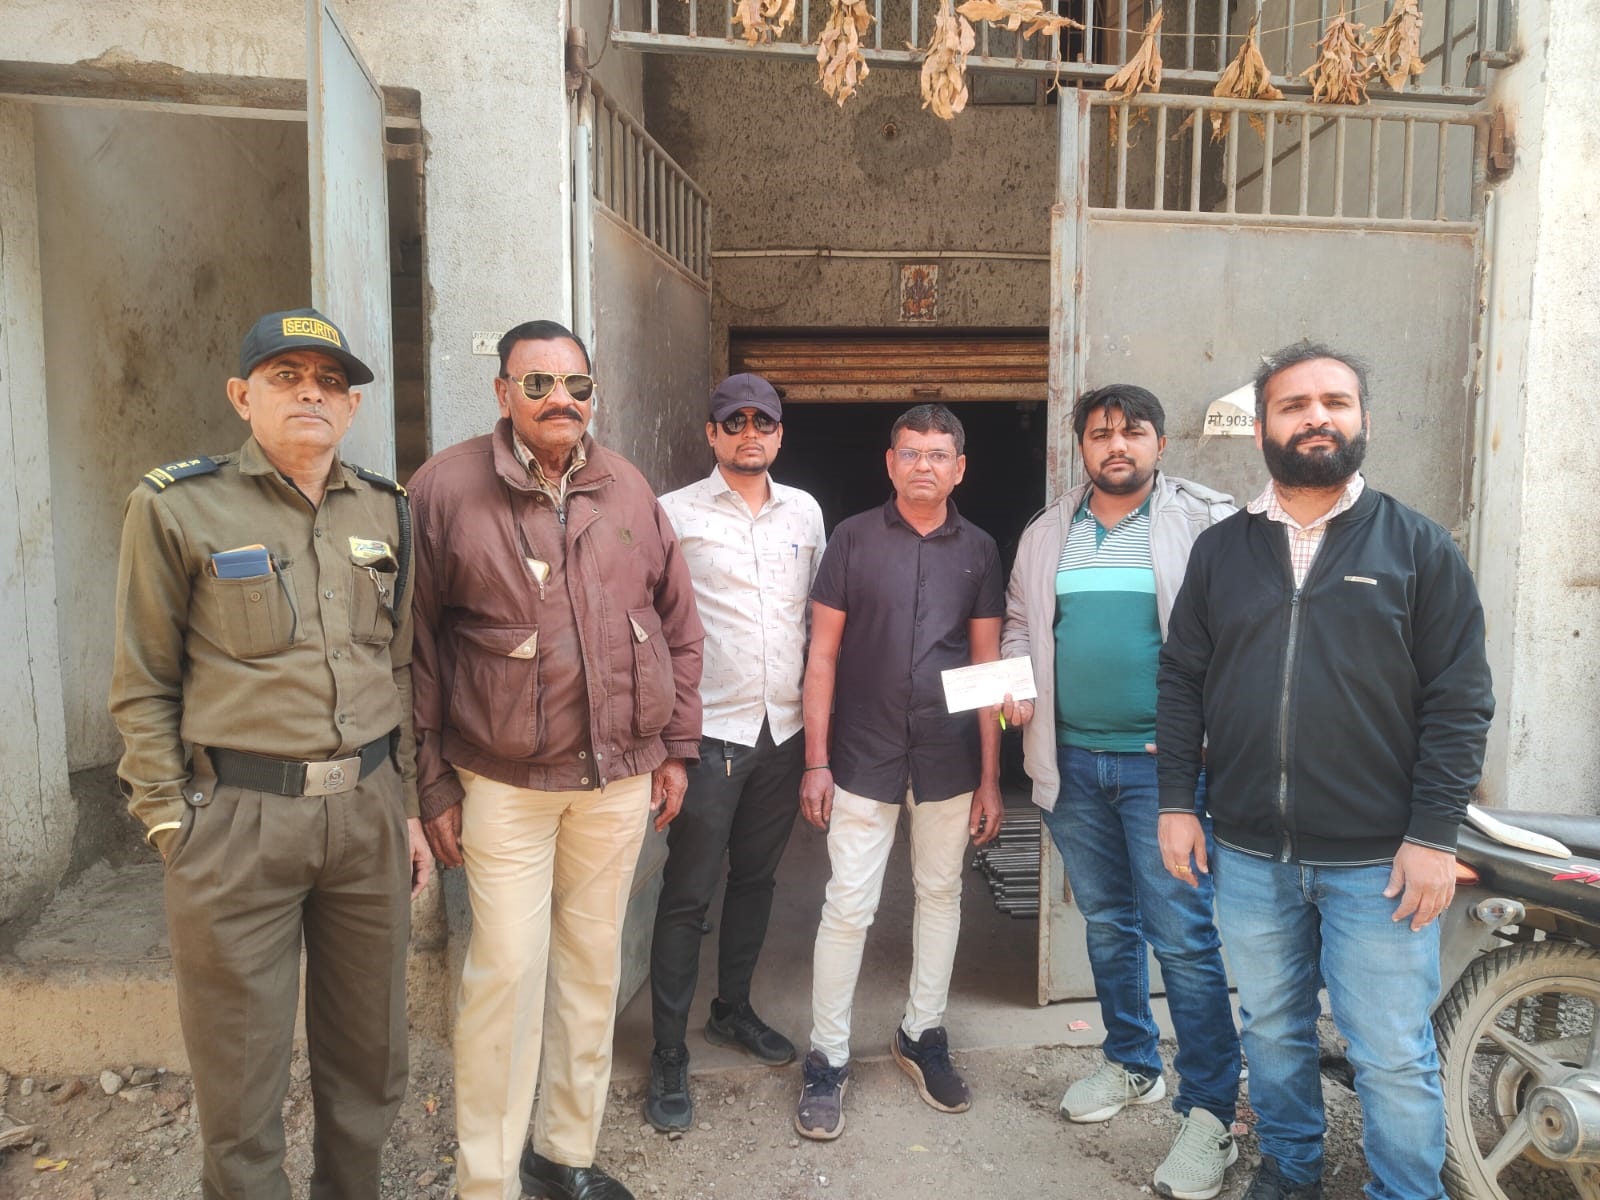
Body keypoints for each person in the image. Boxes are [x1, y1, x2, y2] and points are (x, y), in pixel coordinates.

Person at [1156, 343, 1495, 1200]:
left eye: (1335, 402)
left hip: (1381, 862)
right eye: (1294, 404)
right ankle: (1290, 1170)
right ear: (1261, 428)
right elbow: (1183, 680)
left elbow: (1460, 702)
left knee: (1391, 1052)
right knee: (1272, 1031)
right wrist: (1176, 803)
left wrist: (1433, 835)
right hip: (1249, 853)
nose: (1317, 417)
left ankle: (1406, 1192)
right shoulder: (1221, 551)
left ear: (1363, 420)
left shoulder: (1419, 547)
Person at [109, 307, 432, 1200]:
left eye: (330, 382)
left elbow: (398, 664)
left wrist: (405, 807)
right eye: (286, 377)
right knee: (241, 1078)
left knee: (370, 1058)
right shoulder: (177, 506)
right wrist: (171, 823)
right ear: (242, 396)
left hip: (366, 811)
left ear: (353, 407)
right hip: (238, 822)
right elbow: (142, 680)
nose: (310, 394)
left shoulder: (387, 508)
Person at [409, 319, 705, 1200]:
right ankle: (487, 1181)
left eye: (575, 385)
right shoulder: (445, 489)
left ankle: (563, 1154)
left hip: (616, 779)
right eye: (537, 384)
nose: (559, 400)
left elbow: (680, 626)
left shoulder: (627, 487)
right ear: (503, 393)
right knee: (504, 974)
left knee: (591, 971)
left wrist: (675, 749)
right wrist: (430, 783)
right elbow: (413, 652)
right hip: (503, 781)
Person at [1000, 384, 1241, 1200]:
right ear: (1081, 447)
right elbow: (1020, 621)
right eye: (1100, 433)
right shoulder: (1048, 531)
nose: (1116, 445)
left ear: (1160, 444)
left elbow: (1238, 630)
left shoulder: (1204, 521)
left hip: (1165, 771)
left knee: (1184, 938)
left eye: (1133, 432)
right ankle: (1133, 1061)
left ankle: (1210, 1112)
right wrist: (1017, 679)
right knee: (1107, 922)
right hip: (1071, 762)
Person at [793, 403, 1005, 1142]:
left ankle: (922, 1033)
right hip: (862, 751)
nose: (924, 465)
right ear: (890, 463)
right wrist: (815, 760)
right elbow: (821, 656)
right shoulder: (852, 540)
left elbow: (988, 666)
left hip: (948, 754)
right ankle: (827, 1055)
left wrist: (991, 777)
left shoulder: (980, 550)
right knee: (848, 904)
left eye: (938, 454)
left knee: (940, 893)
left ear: (959, 468)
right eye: (911, 452)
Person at [644, 374, 827, 1131]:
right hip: (708, 730)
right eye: (735, 421)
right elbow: (649, 623)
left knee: (755, 880)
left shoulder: (805, 512)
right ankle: (667, 1052)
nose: (750, 432)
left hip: (781, 732)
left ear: (780, 434)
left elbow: (818, 621)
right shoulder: (672, 512)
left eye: (764, 421)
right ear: (712, 434)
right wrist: (664, 740)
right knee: (688, 892)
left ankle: (732, 1010)